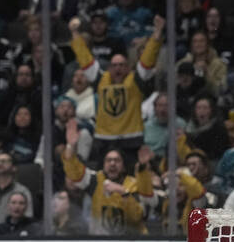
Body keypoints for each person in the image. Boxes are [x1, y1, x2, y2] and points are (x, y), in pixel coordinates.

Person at [68, 14, 164, 169]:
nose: (118, 68)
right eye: (115, 65)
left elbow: (147, 60)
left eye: (122, 65)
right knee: (104, 180)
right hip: (104, 139)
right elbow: (85, 58)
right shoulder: (100, 78)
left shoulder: (136, 80)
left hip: (131, 140)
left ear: (127, 67)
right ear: (109, 67)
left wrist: (156, 34)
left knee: (132, 181)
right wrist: (75, 34)